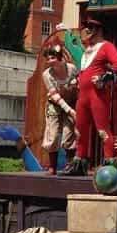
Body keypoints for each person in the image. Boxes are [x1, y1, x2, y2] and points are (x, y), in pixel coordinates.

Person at [63, 16, 117, 176]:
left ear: (99, 29)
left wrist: (104, 77)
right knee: (79, 131)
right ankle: (79, 164)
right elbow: (84, 70)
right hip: (83, 96)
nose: (87, 29)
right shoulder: (87, 49)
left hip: (97, 95)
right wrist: (77, 80)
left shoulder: (106, 46)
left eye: (91, 26)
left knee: (103, 131)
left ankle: (110, 167)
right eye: (86, 26)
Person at [41, 44, 78, 174]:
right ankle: (52, 166)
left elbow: (79, 82)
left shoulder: (71, 69)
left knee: (69, 133)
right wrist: (69, 110)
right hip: (55, 104)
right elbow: (55, 96)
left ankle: (70, 165)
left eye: (52, 58)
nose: (49, 61)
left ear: (59, 57)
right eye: (48, 58)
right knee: (53, 133)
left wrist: (75, 85)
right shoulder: (47, 75)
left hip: (71, 101)